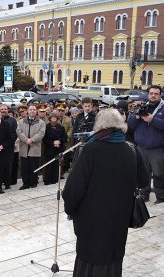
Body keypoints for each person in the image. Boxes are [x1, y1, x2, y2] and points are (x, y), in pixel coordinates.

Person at [63, 108, 149, 277]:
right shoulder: (131, 149)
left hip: (91, 217)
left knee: (90, 257)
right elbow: (144, 180)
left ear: (99, 126)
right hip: (119, 215)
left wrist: (70, 208)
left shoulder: (90, 149)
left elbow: (74, 188)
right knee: (113, 255)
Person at [128, 85, 164, 204]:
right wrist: (137, 116)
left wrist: (152, 120)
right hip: (141, 146)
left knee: (158, 173)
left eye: (156, 93)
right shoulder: (142, 106)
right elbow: (131, 125)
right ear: (148, 94)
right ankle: (144, 194)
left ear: (160, 95)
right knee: (143, 172)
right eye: (151, 93)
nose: (153, 95)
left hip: (157, 147)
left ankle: (161, 196)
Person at [17, 104, 46, 190]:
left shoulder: (41, 122)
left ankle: (33, 182)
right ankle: (25, 183)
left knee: (34, 166)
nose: (32, 111)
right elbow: (19, 132)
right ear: (28, 111)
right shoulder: (21, 121)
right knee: (24, 167)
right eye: (31, 109)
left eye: (34, 109)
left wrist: (32, 140)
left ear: (36, 111)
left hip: (35, 146)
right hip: (24, 147)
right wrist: (26, 140)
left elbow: (41, 133)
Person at [43, 112, 67, 185]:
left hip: (58, 149)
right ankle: (47, 180)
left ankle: (54, 180)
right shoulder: (46, 127)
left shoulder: (61, 127)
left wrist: (59, 141)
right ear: (50, 118)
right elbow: (44, 139)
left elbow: (64, 137)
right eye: (52, 117)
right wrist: (52, 142)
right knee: (49, 165)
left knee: (56, 165)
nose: (54, 119)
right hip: (49, 149)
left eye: (55, 117)